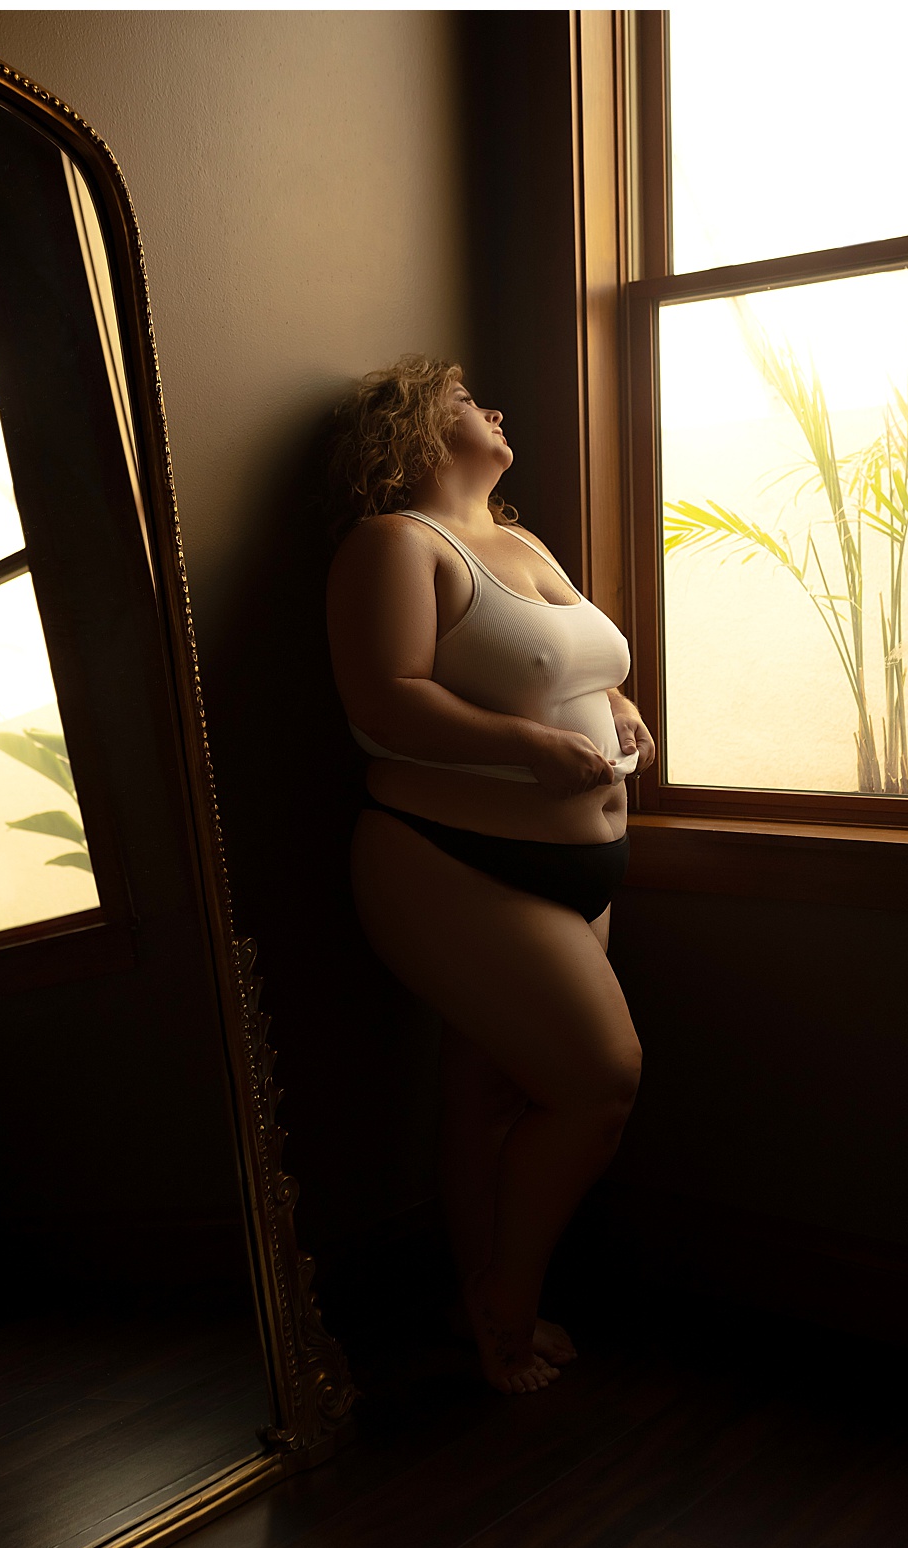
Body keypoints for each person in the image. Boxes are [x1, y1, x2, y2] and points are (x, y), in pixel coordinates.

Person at [326, 354, 655, 1394]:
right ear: (418, 430)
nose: (495, 407)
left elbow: (576, 663)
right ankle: (508, 1311)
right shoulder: (394, 544)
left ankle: (477, 1306)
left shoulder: (517, 540)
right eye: (468, 399)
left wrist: (623, 711)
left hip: (573, 864)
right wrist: (527, 745)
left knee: (496, 1093)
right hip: (452, 863)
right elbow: (386, 699)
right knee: (602, 1080)